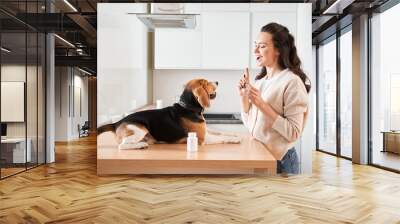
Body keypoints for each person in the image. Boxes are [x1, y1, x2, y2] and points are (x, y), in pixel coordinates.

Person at [238, 22, 311, 174]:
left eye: (262, 46)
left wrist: (261, 104)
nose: (255, 50)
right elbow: (251, 126)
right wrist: (244, 98)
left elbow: (294, 133)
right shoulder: (260, 82)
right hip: (260, 157)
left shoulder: (292, 82)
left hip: (281, 161)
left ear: (278, 50)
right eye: (255, 45)